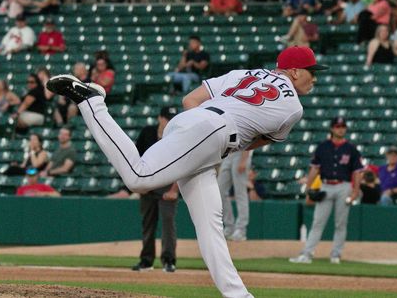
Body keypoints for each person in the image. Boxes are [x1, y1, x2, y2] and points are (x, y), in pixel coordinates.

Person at [46, 45, 329, 298]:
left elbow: (190, 101)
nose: (314, 77)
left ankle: (238, 295)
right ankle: (93, 102)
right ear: (293, 71)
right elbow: (256, 141)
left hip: (196, 123)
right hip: (214, 134)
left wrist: (205, 137)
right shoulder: (294, 107)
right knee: (138, 177)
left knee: (210, 226)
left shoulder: (245, 73)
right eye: (311, 71)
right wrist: (213, 140)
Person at [290, 116, 362, 265]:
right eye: (337, 126)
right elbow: (315, 168)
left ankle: (336, 255)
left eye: (343, 126)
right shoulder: (323, 147)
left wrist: (355, 191)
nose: (340, 129)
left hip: (344, 186)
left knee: (340, 223)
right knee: (317, 222)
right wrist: (309, 187)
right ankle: (307, 254)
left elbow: (357, 172)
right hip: (326, 186)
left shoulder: (351, 149)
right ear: (331, 128)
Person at [131, 106, 180, 273]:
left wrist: (174, 189)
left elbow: (183, 164)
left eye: (172, 118)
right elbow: (136, 158)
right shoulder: (147, 133)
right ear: (160, 118)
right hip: (148, 184)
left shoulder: (177, 137)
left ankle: (169, 261)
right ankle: (146, 261)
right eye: (167, 118)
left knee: (168, 223)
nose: (169, 121)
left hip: (168, 184)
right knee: (148, 224)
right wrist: (139, 184)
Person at [218, 150, 252, 241]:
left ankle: (241, 230)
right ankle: (229, 227)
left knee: (240, 193)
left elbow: (250, 138)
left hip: (241, 153)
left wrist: (244, 160)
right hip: (228, 154)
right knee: (219, 192)